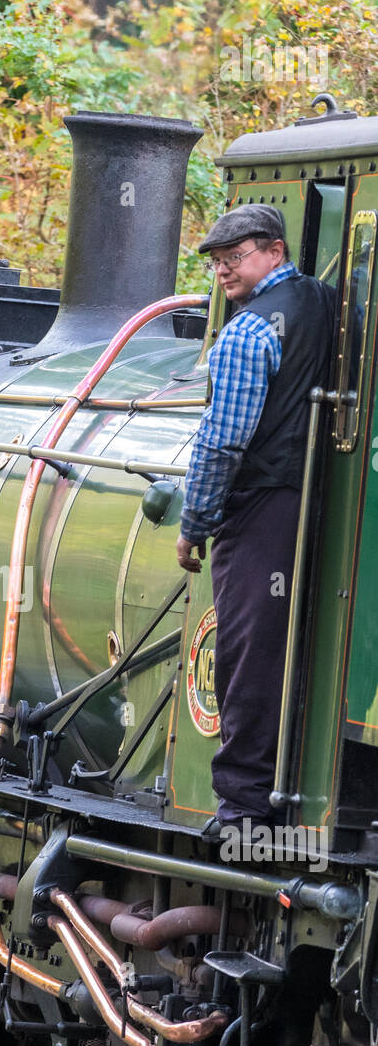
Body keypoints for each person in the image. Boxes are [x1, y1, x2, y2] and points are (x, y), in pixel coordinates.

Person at [176, 204, 336, 832]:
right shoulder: (322, 301)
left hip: (261, 503)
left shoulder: (248, 331)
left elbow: (222, 440)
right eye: (216, 263)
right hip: (312, 500)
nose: (222, 272)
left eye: (233, 259)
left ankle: (243, 806)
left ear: (274, 249)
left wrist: (195, 521)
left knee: (244, 648)